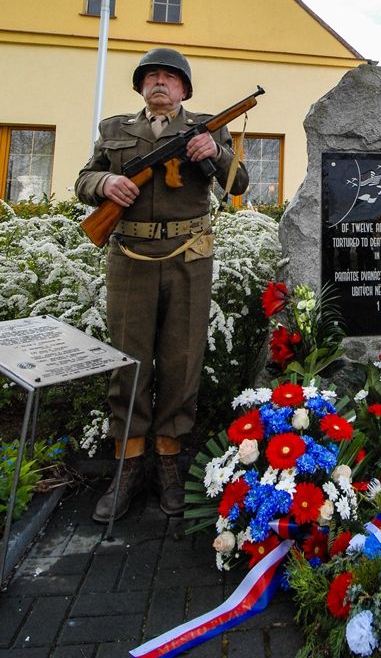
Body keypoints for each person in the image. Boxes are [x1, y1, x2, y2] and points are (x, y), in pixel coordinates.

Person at [75, 48, 249, 521]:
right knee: (128, 359)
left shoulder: (209, 131)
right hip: (130, 256)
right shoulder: (115, 130)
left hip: (189, 259)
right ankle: (128, 465)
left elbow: (239, 185)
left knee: (182, 357)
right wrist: (104, 185)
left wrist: (215, 153)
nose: (160, 83)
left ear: (185, 90)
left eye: (170, 78)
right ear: (141, 87)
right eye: (151, 76)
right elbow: (83, 178)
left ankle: (170, 460)